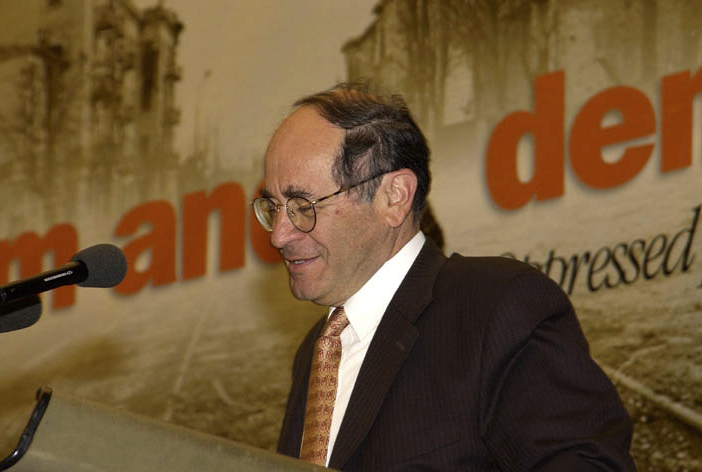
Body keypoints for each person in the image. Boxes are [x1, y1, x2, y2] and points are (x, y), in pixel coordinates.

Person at [252, 83, 636, 471]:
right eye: (272, 206)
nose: (278, 235)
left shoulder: (495, 307)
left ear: (394, 197)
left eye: (302, 205)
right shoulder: (316, 352)